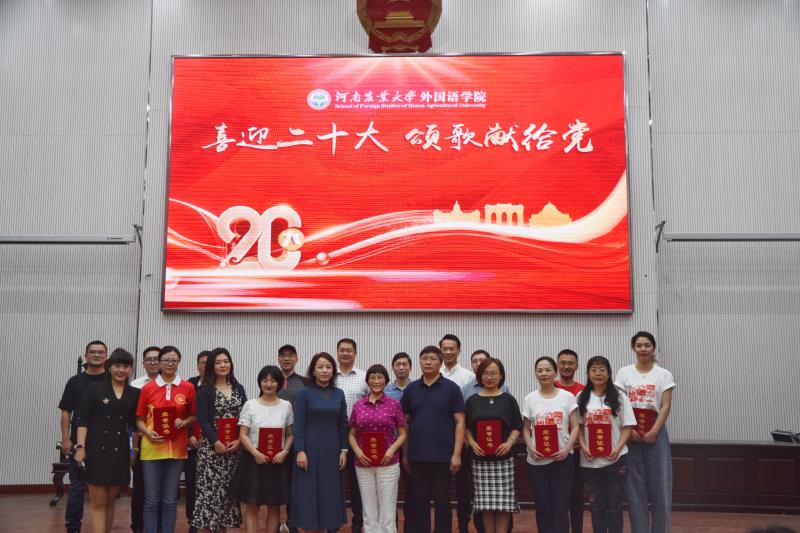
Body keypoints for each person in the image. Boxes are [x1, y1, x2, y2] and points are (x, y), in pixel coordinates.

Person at [614, 331, 676, 533]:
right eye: (639, 345)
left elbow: (665, 406)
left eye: (647, 345)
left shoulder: (663, 374)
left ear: (653, 348)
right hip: (630, 434)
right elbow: (619, 404)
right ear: (633, 348)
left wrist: (655, 430)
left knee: (660, 488)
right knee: (634, 489)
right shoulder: (624, 373)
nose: (643, 349)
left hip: (656, 432)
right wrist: (629, 429)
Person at [74, 348, 140, 533]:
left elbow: (134, 426)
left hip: (120, 450)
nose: (121, 370)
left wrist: (133, 451)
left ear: (131, 369)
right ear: (109, 367)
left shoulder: (135, 393)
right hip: (96, 449)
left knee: (111, 500)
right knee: (98, 501)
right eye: (117, 366)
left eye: (125, 366)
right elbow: (82, 419)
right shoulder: (95, 388)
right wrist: (80, 447)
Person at [401, 345, 465, 533]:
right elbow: (404, 423)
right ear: (419, 362)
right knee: (419, 503)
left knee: (443, 503)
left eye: (433, 359)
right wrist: (405, 454)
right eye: (424, 358)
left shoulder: (452, 388)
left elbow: (460, 422)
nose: (428, 362)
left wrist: (457, 454)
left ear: (440, 362)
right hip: (417, 455)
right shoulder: (411, 389)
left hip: (443, 457)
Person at [136, 346, 197, 533]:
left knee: (170, 500)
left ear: (179, 362)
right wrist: (148, 433)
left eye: (174, 360)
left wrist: (184, 422)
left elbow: (194, 416)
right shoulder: (148, 388)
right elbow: (138, 419)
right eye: (166, 360)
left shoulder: (188, 387)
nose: (170, 364)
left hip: (177, 450)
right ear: (159, 363)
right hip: (152, 449)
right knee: (151, 500)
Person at [289, 352, 349, 533]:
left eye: (328, 367)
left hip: (332, 452)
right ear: (313, 371)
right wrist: (300, 450)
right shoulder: (304, 393)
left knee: (328, 494)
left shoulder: (339, 394)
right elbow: (298, 425)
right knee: (309, 495)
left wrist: (344, 450)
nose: (324, 370)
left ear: (333, 371)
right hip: (309, 452)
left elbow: (343, 424)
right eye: (320, 367)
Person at [232, 365, 294, 533]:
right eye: (265, 380)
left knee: (274, 505)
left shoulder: (286, 406)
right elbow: (243, 434)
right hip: (254, 461)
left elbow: (290, 435)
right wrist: (255, 453)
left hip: (277, 461)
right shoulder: (250, 405)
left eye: (273, 380)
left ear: (279, 383)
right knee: (252, 504)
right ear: (259, 382)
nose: (268, 384)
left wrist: (285, 451)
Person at [576, 356, 635, 533]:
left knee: (615, 507)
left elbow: (628, 426)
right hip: (590, 462)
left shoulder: (619, 397)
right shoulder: (581, 397)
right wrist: (583, 446)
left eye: (602, 370)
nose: (598, 373)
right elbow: (578, 427)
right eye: (594, 370)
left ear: (609, 373)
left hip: (615, 460)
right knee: (596, 507)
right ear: (587, 373)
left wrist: (618, 448)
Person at [522, 356, 580, 533]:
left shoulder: (567, 397)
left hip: (562, 460)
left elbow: (576, 426)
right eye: (540, 370)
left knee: (561, 508)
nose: (544, 373)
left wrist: (567, 449)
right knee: (543, 509)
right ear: (535, 374)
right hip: (537, 462)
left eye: (547, 370)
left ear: (555, 372)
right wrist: (530, 448)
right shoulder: (530, 398)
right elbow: (525, 429)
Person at [464, 358, 522, 533]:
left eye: (493, 373)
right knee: (485, 504)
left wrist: (509, 442)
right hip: (480, 459)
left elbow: (517, 426)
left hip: (504, 459)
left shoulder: (508, 399)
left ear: (501, 376)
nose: (489, 377)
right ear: (479, 376)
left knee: (504, 504)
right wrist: (472, 442)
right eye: (485, 373)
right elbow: (465, 427)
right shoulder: (472, 400)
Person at [192, 347, 247, 533]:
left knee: (226, 502)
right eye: (218, 362)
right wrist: (215, 441)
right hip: (211, 452)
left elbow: (245, 418)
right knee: (209, 503)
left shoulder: (239, 388)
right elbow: (203, 420)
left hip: (233, 451)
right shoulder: (205, 390)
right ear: (211, 366)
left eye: (226, 361)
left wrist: (239, 441)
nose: (223, 365)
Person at [348, 364, 408, 533]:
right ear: (367, 381)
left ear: (386, 381)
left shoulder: (394, 404)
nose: (376, 381)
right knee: (369, 510)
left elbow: (403, 433)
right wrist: (358, 452)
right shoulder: (358, 405)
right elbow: (351, 434)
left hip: (388, 463)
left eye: (380, 377)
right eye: (372, 377)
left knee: (387, 509)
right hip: (363, 463)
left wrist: (392, 449)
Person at [58, 340, 108, 533]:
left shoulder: (112, 379)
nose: (96, 355)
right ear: (86, 356)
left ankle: (103, 526)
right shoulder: (75, 381)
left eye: (100, 352)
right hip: (79, 441)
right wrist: (65, 438)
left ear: (106, 356)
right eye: (92, 352)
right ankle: (73, 526)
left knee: (105, 486)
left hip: (105, 440)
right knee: (77, 486)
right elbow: (66, 411)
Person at [438, 334, 475, 533]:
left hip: (462, 439)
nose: (448, 352)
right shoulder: (434, 372)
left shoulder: (468, 377)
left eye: (452, 348)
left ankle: (463, 525)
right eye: (445, 348)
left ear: (459, 350)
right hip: (440, 437)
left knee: (463, 487)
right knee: (439, 485)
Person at [336, 338, 368, 533]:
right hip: (333, 433)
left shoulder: (364, 377)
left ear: (355, 353)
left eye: (349, 350)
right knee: (333, 478)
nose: (345, 353)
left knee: (358, 480)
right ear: (337, 353)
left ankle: (358, 520)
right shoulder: (330, 375)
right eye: (342, 350)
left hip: (358, 435)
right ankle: (333, 519)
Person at [276, 344, 308, 533]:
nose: (286, 359)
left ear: (296, 359)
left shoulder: (305, 382)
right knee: (277, 483)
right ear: (278, 359)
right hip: (274, 442)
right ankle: (275, 523)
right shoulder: (271, 380)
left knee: (295, 484)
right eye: (283, 355)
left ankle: (293, 523)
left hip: (297, 441)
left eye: (290, 355)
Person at [130, 346, 161, 533]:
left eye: (156, 359)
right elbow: (132, 418)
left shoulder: (172, 384)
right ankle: (138, 526)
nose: (153, 362)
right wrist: (133, 448)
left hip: (165, 444)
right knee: (140, 488)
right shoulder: (135, 385)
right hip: (141, 442)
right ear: (143, 363)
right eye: (149, 359)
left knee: (162, 491)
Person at [555, 349, 586, 533]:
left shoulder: (584, 391)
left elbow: (588, 420)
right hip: (554, 451)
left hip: (577, 452)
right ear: (557, 365)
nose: (566, 366)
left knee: (576, 497)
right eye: (563, 363)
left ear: (577, 366)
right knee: (557, 497)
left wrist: (580, 440)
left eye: (570, 363)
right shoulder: (550, 387)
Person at [186, 350, 209, 533]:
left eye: (209, 363)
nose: (205, 366)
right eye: (202, 362)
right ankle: (193, 522)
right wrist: (189, 435)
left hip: (213, 445)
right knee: (193, 485)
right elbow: (183, 412)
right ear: (197, 365)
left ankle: (210, 522)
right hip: (192, 445)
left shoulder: (223, 385)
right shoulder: (189, 385)